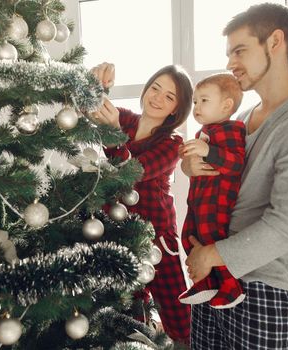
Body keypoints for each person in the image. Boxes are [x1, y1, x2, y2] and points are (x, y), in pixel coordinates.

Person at [181, 3, 288, 349]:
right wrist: (189, 167)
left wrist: (210, 255)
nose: (229, 64)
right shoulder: (237, 119)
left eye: (239, 50)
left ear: (275, 41)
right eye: (228, 53)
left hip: (261, 289)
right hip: (214, 276)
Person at [91, 62, 193, 344]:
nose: (158, 98)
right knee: (129, 308)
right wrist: (96, 85)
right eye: (155, 88)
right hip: (118, 231)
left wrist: (112, 135)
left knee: (176, 311)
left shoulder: (173, 142)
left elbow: (134, 171)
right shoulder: (123, 118)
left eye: (169, 96)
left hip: (157, 237)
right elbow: (87, 112)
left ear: (176, 108)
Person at [178, 73, 246, 309]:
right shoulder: (204, 132)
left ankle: (230, 287)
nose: (196, 107)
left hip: (216, 202)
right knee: (188, 234)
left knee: (211, 240)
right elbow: (194, 164)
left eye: (204, 100)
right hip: (198, 200)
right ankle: (205, 283)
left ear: (226, 105)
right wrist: (187, 159)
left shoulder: (233, 129)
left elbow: (236, 163)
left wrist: (208, 151)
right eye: (195, 101)